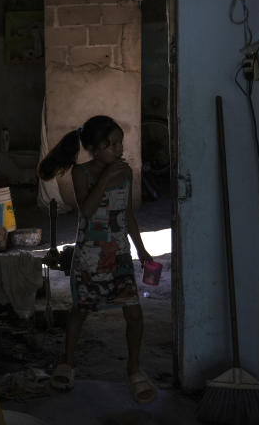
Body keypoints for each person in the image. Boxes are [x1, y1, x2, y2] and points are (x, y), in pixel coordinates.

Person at [37, 115, 157, 404]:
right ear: (92, 147)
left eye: (119, 144)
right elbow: (88, 211)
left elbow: (127, 214)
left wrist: (141, 250)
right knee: (80, 309)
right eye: (110, 145)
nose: (117, 150)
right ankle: (67, 362)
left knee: (134, 312)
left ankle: (133, 368)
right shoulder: (82, 173)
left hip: (119, 254)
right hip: (90, 255)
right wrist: (105, 178)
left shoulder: (126, 173)